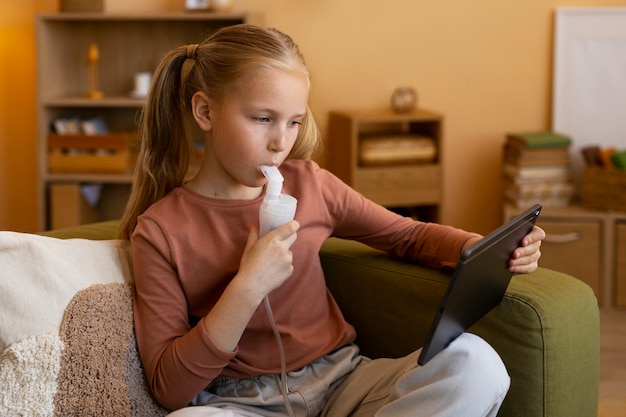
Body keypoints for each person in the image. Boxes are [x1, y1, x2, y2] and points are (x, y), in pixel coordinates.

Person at [119, 24, 545, 417]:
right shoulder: (160, 231)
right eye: (262, 119)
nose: (280, 142)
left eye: (294, 122)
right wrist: (247, 287)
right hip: (240, 402)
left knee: (476, 364)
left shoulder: (310, 185)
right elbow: (169, 388)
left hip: (345, 383)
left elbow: (408, 235)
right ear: (205, 112)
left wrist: (483, 248)